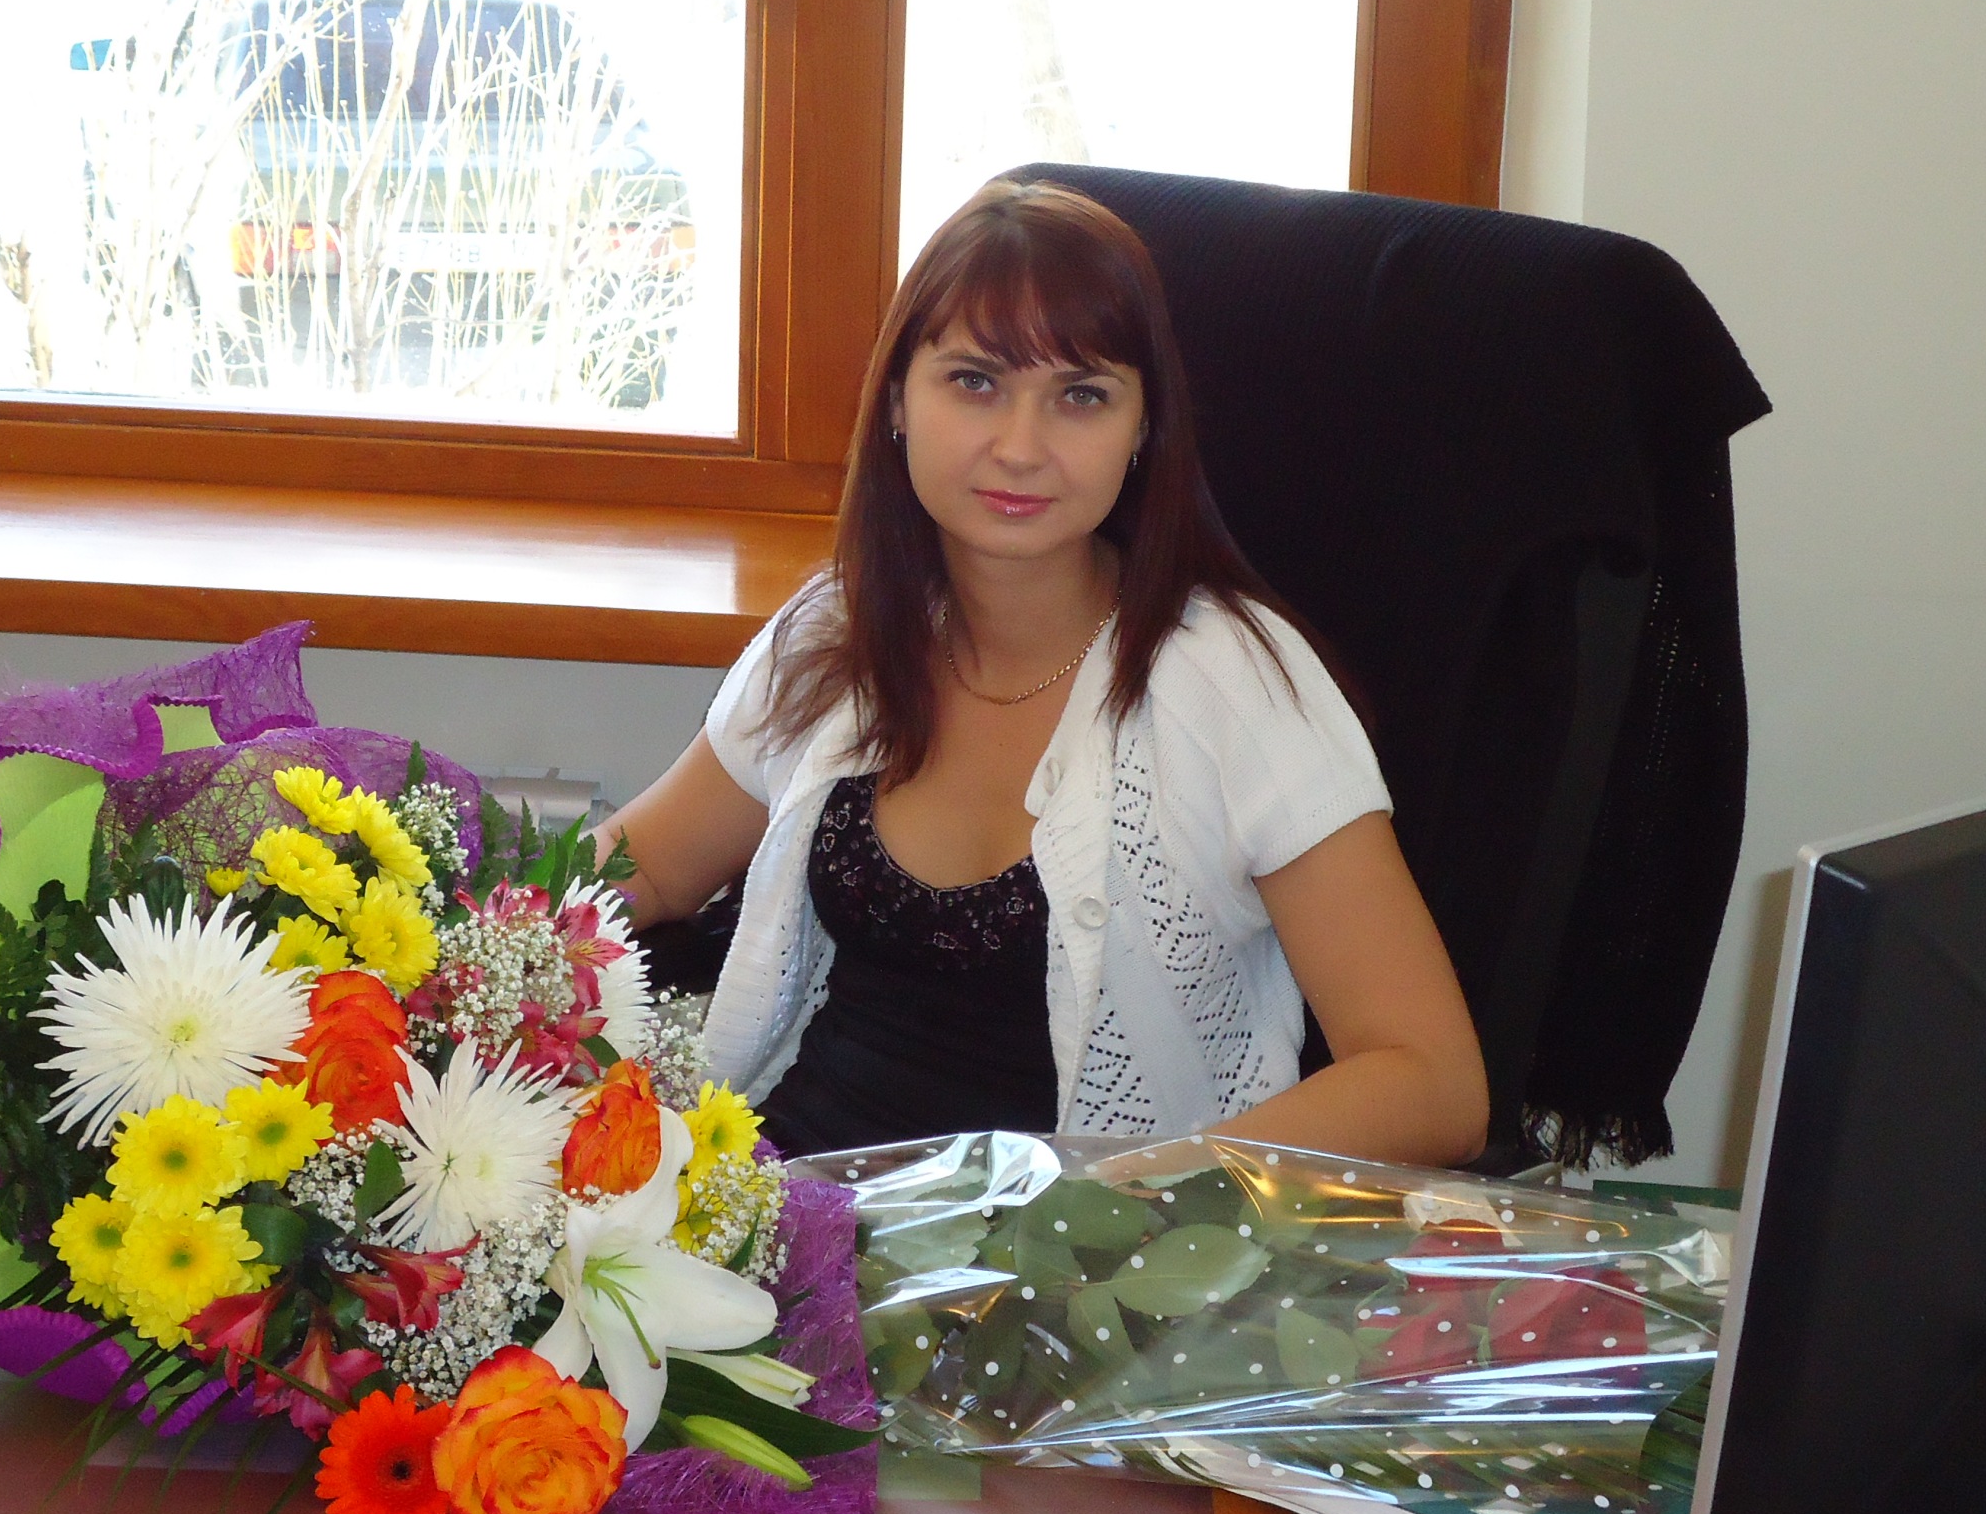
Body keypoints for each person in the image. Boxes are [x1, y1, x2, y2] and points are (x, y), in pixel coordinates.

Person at [595, 180, 1488, 1164]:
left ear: (1143, 428)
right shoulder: (836, 632)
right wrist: (473, 953)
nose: (1020, 448)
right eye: (974, 381)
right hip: (793, 1199)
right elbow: (652, 868)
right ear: (897, 400)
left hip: (1091, 1235)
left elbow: (1430, 1081)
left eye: (1081, 396)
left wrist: (1133, 1194)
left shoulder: (1233, 686)